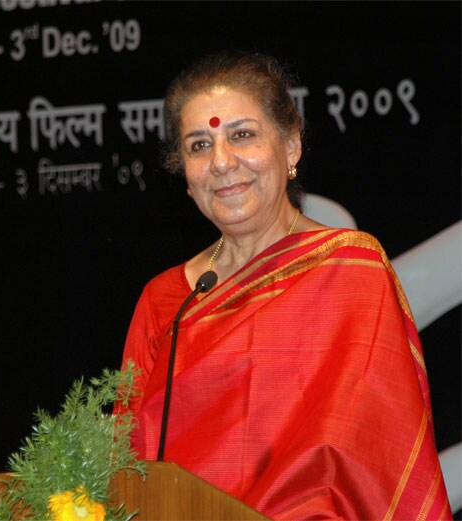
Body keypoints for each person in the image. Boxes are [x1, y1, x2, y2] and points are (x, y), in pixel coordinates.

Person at [115, 51, 452, 520]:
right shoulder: (166, 300)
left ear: (291, 145)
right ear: (184, 173)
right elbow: (124, 466)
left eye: (243, 135)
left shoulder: (351, 269)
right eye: (198, 145)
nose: (222, 162)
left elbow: (380, 453)